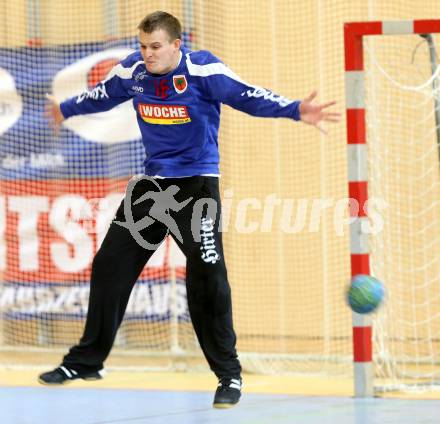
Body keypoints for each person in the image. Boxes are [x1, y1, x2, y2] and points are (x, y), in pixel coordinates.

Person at [39, 10, 340, 408]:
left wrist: (295, 109)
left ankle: (229, 375)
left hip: (196, 187)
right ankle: (86, 361)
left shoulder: (203, 70)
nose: (148, 54)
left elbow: (247, 96)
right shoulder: (133, 70)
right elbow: (104, 93)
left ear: (176, 45)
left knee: (207, 279)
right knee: (110, 265)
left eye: (156, 47)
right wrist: (67, 108)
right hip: (151, 189)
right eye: (144, 46)